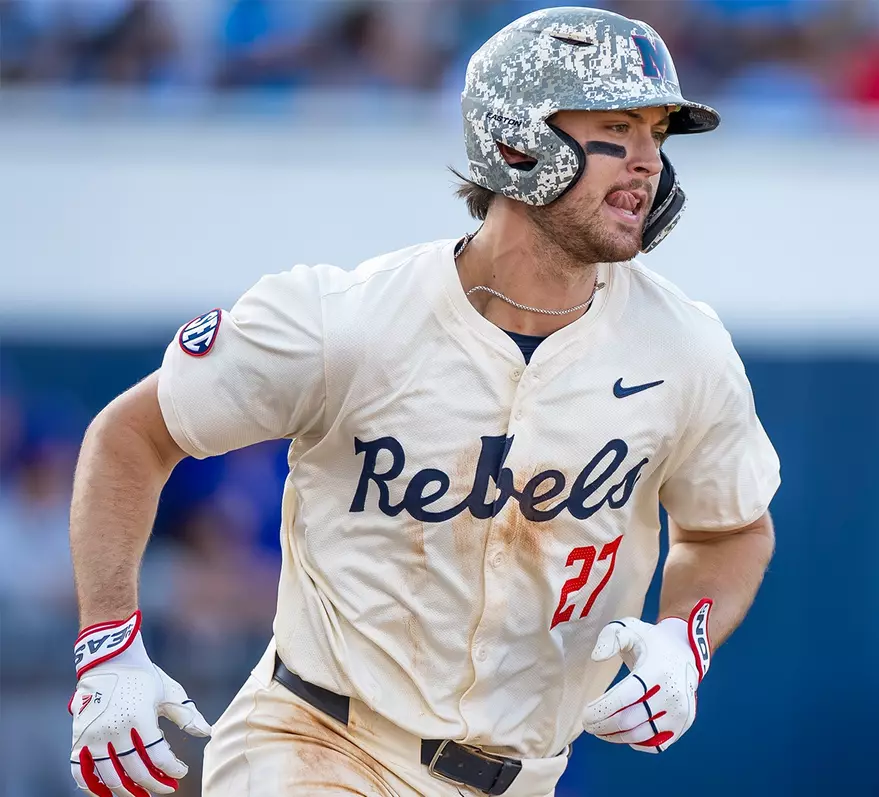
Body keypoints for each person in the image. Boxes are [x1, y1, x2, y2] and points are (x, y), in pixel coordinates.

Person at [65, 7, 780, 796]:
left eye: (658, 136)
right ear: (516, 141)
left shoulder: (686, 347)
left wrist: (687, 635)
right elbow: (130, 436)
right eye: (617, 128)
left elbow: (730, 527)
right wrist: (108, 643)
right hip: (314, 743)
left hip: (522, 775)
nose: (647, 162)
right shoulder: (347, 318)